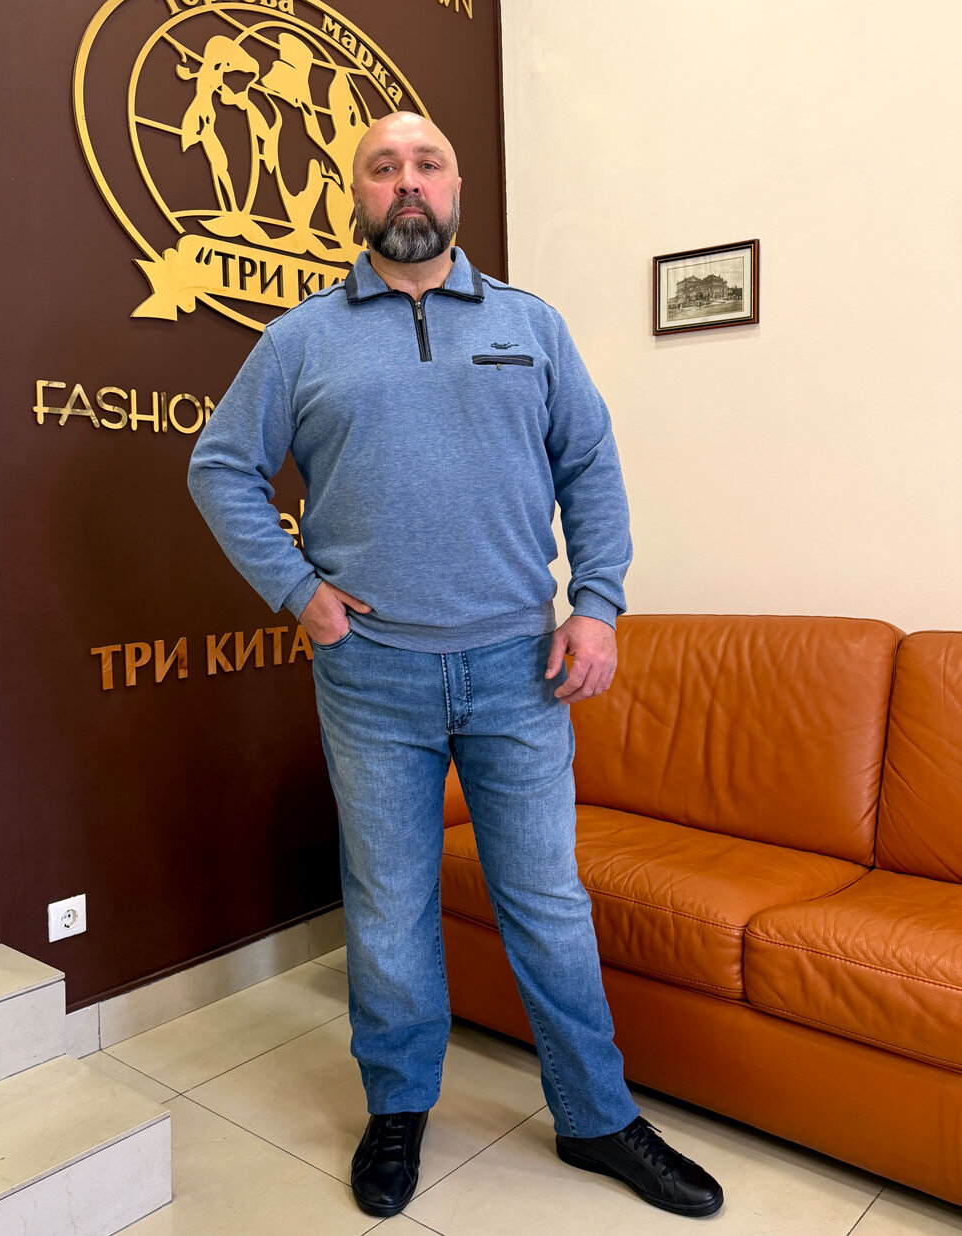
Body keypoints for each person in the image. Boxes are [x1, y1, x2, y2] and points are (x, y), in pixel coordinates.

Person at [187, 111, 724, 1221]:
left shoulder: (532, 324)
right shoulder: (300, 339)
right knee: (389, 911)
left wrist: (598, 605)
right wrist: (298, 590)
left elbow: (590, 466)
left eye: (426, 163)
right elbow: (221, 468)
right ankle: (398, 1108)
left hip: (520, 671)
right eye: (383, 167)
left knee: (548, 904)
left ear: (456, 186)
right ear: (357, 194)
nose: (407, 182)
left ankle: (596, 1117)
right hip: (371, 676)